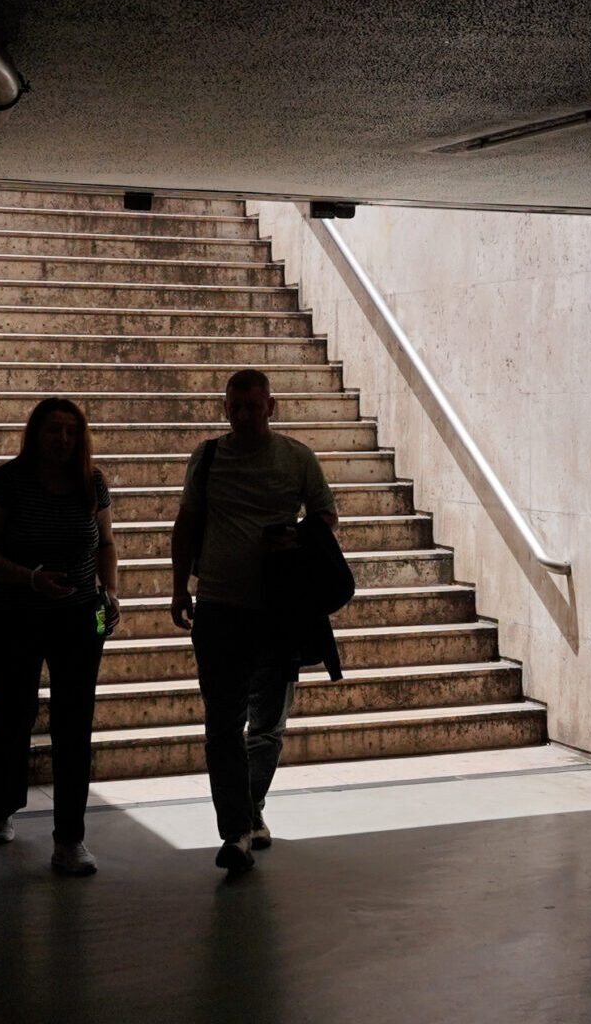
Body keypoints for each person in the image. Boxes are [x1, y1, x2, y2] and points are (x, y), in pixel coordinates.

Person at [171, 369, 337, 874]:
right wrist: (178, 586)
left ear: (271, 407)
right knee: (223, 723)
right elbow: (187, 523)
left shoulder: (297, 458)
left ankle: (249, 810)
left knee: (267, 723)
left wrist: (298, 536)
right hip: (220, 606)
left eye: (252, 406)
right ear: (225, 409)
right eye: (235, 407)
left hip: (280, 610)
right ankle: (237, 830)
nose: (243, 415)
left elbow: (326, 516)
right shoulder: (207, 457)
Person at [0, 397, 122, 876]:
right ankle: (0, 807)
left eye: (71, 431)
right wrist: (31, 578)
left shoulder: (92, 482)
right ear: (36, 433)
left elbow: (106, 543)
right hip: (14, 617)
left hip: (80, 617)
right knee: (14, 715)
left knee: (75, 724)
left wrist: (111, 591)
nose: (63, 439)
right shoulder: (8, 481)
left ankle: (70, 839)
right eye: (54, 429)